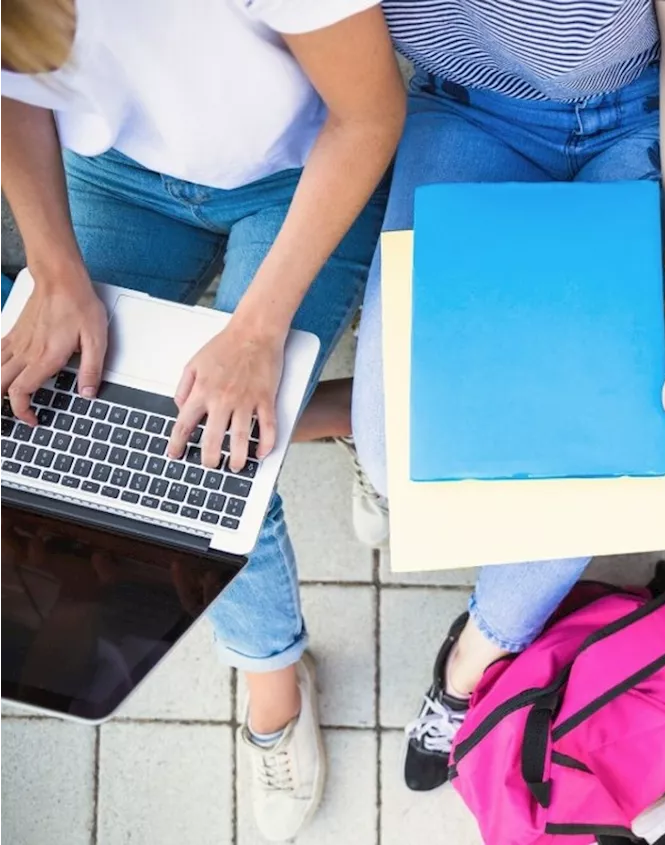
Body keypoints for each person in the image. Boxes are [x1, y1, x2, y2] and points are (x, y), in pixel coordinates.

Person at [0, 0, 405, 839]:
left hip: (297, 170)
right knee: (47, 418)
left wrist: (254, 333)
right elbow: (11, 83)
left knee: (215, 460)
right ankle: (365, 420)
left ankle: (273, 684)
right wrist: (53, 266)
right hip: (113, 170)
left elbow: (370, 114)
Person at [348, 0, 665, 795]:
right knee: (396, 460)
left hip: (645, 110)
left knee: (597, 440)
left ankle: (475, 655)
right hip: (460, 111)